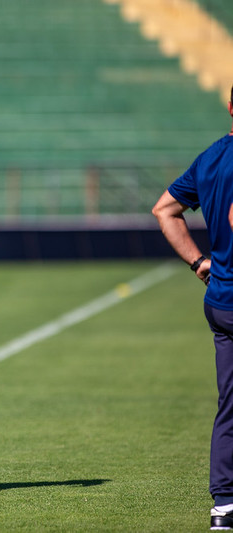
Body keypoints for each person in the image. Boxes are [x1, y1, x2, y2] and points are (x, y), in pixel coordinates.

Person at [152, 84, 233, 530]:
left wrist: (199, 261)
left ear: (229, 106)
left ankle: (224, 503)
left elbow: (164, 209)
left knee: (230, 405)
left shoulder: (211, 158)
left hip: (223, 301)